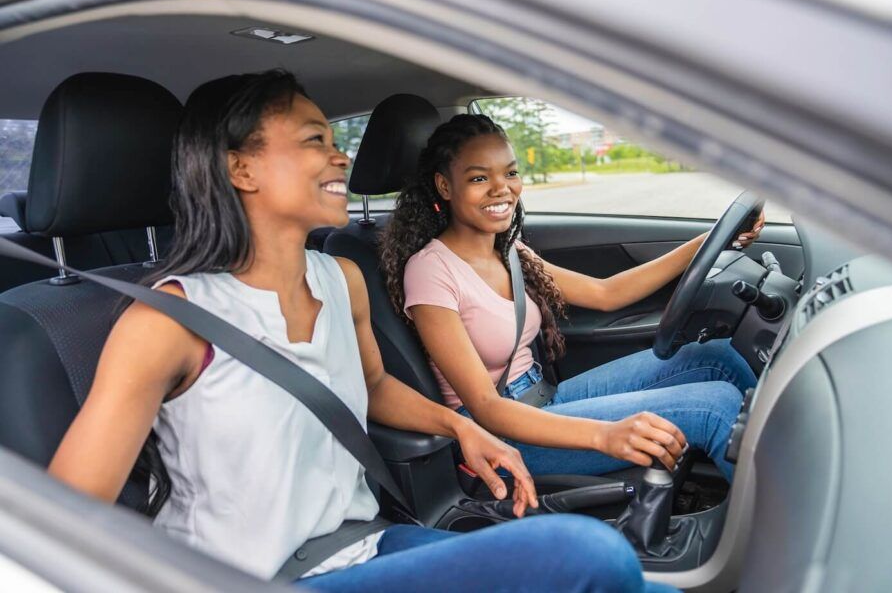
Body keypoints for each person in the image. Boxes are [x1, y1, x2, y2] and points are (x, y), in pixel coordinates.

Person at [48, 70, 677, 592]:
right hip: (248, 576)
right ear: (241, 169)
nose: (339, 154)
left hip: (363, 543)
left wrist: (460, 425)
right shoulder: (168, 320)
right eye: (314, 139)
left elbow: (371, 385)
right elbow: (62, 526)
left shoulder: (340, 277)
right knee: (582, 557)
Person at [382, 114, 760, 482]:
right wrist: (605, 435)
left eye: (510, 173)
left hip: (544, 398)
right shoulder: (430, 270)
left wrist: (710, 241)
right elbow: (486, 407)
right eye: (479, 178)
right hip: (498, 437)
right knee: (714, 406)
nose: (502, 188)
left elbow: (606, 293)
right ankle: (782, 524)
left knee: (715, 356)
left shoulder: (509, 249)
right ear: (445, 187)